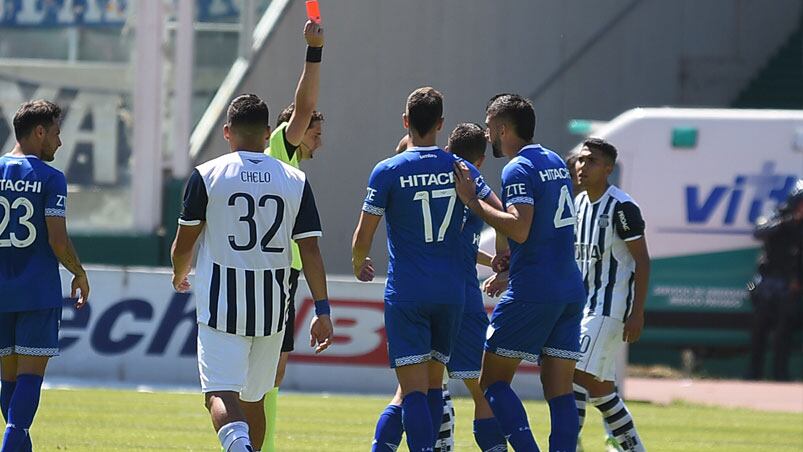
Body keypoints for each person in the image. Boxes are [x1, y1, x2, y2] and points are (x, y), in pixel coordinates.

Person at [170, 90, 334, 451]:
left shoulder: (207, 175)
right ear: (266, 134)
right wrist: (322, 309)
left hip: (222, 307)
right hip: (273, 309)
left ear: (227, 132)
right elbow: (310, 249)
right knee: (255, 399)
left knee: (218, 393)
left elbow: (184, 244)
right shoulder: (295, 180)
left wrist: (179, 273)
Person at [352, 87, 494, 452]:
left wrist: (359, 261)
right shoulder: (461, 169)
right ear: (441, 124)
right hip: (451, 294)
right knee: (433, 385)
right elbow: (502, 212)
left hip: (407, 292)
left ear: (405, 122)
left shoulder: (388, 170)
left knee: (410, 390)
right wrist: (503, 260)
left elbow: (363, 235)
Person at [453, 93, 585, 451]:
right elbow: (546, 231)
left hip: (534, 291)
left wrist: (472, 200)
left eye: (489, 125)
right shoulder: (554, 160)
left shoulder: (518, 167)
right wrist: (509, 268)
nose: (487, 133)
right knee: (559, 392)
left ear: (502, 127)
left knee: (492, 382)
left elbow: (520, 227)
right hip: (570, 289)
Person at [0, 100, 90, 452]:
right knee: (30, 378)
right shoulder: (51, 178)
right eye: (55, 133)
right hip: (36, 291)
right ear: (39, 132)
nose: (59, 142)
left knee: (9, 380)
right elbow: (57, 239)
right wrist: (79, 272)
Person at [261, 21, 325, 448]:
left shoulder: (290, 168)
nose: (319, 140)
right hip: (274, 273)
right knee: (268, 369)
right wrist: (314, 52)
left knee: (275, 370)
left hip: (286, 276)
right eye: (315, 134)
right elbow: (302, 107)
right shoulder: (281, 152)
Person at [571, 138, 650, 451]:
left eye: (591, 161)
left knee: (570, 373)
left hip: (609, 309)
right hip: (583, 309)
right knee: (602, 391)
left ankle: (568, 444)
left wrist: (637, 312)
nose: (582, 166)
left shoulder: (622, 207)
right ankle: (633, 447)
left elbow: (642, 261)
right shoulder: (579, 204)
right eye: (580, 160)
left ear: (608, 168)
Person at [746, 180, 803, 381]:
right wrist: (788, 222)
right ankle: (753, 374)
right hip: (766, 282)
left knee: (784, 333)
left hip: (790, 285)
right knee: (759, 330)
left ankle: (780, 375)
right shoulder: (778, 217)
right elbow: (759, 231)